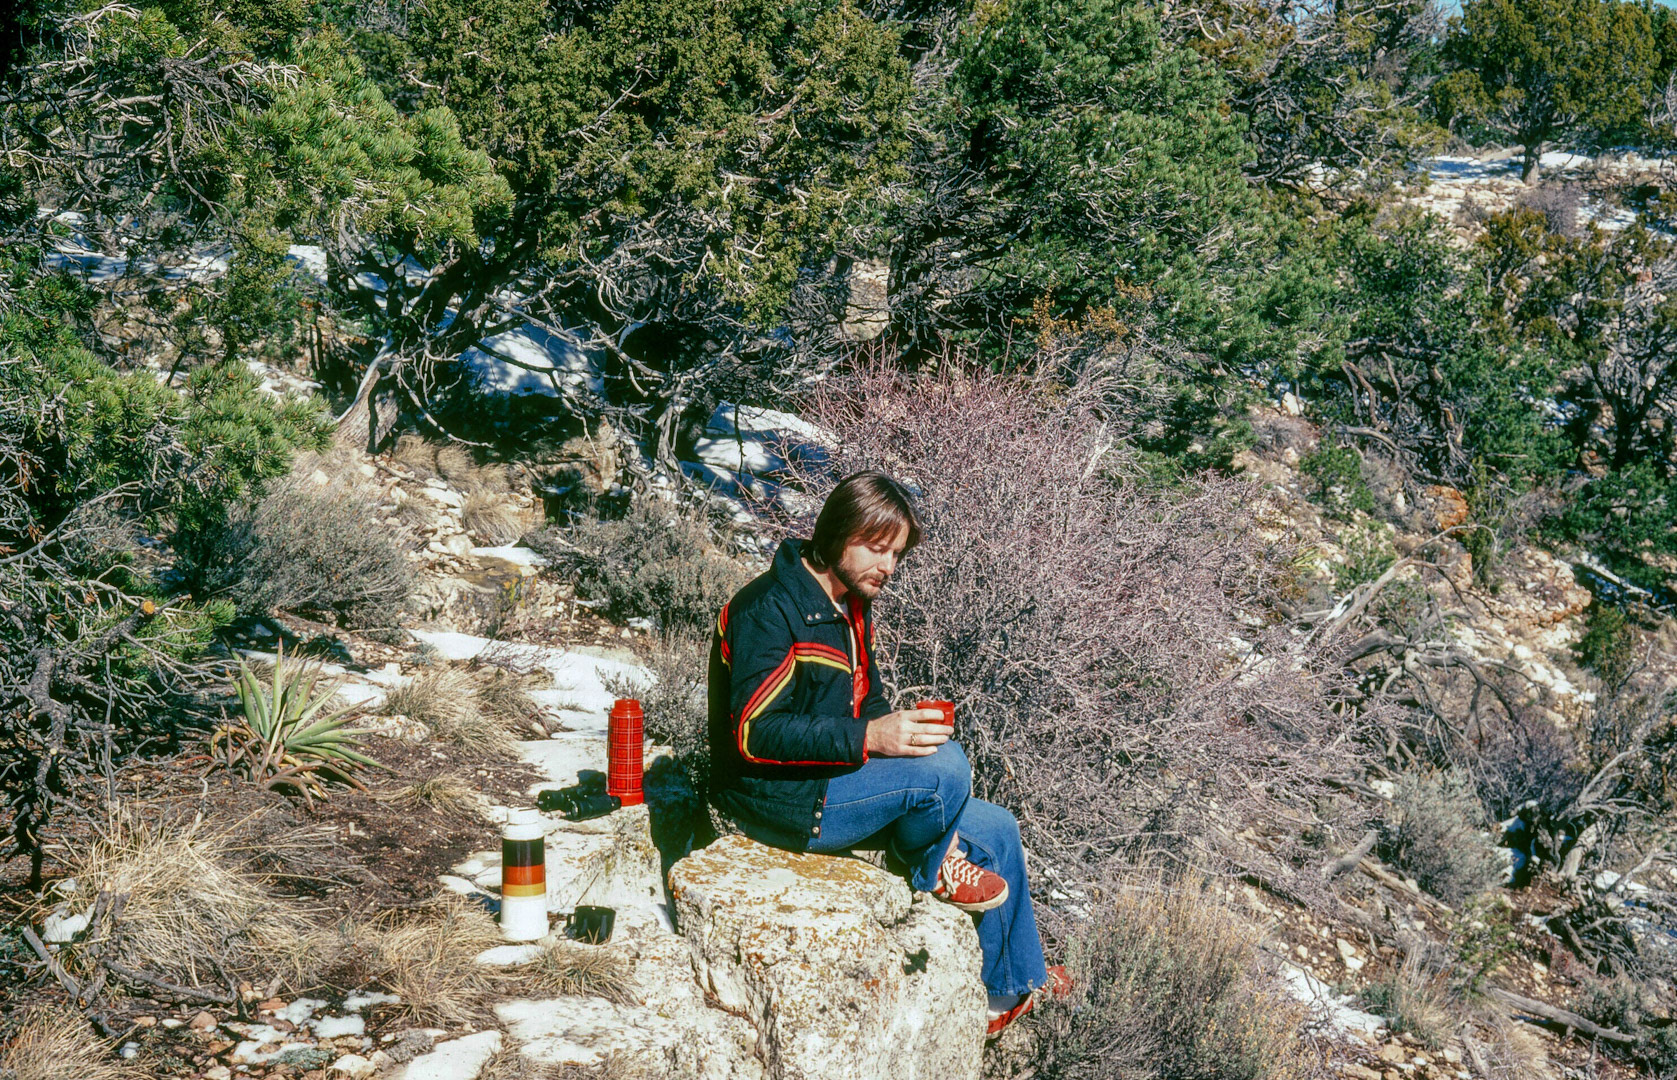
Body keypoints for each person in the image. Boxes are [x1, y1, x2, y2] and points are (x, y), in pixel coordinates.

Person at [706, 470, 1067, 1038]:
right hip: (777, 802)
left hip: (835, 779)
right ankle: (930, 866)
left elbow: (863, 704)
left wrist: (899, 727)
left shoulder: (849, 603)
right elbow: (756, 732)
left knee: (997, 826)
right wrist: (874, 740)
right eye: (877, 549)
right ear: (836, 535)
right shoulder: (768, 609)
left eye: (896, 553)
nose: (888, 567)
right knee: (946, 769)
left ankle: (1004, 996)